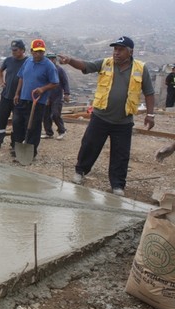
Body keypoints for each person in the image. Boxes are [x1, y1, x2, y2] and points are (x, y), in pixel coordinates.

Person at [58, 36, 155, 196]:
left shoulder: (140, 68)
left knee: (121, 154)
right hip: (100, 117)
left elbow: (149, 93)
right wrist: (70, 60)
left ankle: (117, 185)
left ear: (130, 52)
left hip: (124, 121)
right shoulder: (105, 63)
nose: (116, 52)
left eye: (120, 49)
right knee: (89, 145)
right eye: (115, 49)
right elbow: (85, 65)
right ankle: (80, 171)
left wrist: (150, 114)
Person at [12, 39, 59, 159]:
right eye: (36, 51)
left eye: (41, 52)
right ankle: (17, 147)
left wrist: (42, 89)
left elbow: (54, 83)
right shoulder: (27, 61)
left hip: (37, 102)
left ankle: (31, 152)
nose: (38, 54)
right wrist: (17, 93)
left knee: (33, 126)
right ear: (31, 51)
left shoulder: (49, 65)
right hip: (23, 98)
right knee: (18, 123)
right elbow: (21, 77)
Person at [0, 40, 28, 150]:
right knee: (1, 119)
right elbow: (0, 71)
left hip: (19, 98)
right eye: (12, 50)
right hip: (6, 95)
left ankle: (15, 144)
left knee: (17, 122)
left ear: (23, 50)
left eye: (16, 50)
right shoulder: (8, 60)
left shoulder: (28, 62)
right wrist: (1, 81)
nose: (13, 52)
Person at [41, 53, 70, 140]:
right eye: (49, 59)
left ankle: (62, 130)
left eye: (53, 59)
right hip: (46, 96)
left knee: (55, 114)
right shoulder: (44, 70)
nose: (51, 61)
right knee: (46, 116)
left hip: (57, 96)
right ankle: (48, 133)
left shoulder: (59, 70)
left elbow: (65, 82)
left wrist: (67, 93)